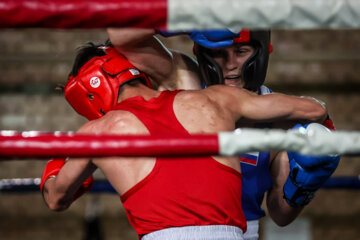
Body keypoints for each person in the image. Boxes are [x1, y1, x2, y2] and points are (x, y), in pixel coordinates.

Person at [41, 43, 330, 240]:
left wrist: (56, 164)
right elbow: (314, 110)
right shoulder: (216, 99)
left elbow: (56, 198)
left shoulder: (98, 132)